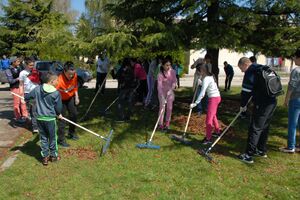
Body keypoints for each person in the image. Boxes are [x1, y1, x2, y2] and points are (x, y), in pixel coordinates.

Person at [237, 57, 277, 164]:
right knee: (264, 126)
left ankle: (248, 155)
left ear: (245, 64)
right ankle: (261, 150)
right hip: (272, 101)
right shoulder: (261, 68)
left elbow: (245, 92)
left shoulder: (250, 71)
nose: (241, 71)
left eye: (241, 68)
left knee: (255, 127)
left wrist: (243, 106)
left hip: (263, 103)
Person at [25, 72, 62, 166]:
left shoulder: (37, 89)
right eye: (57, 80)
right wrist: (59, 114)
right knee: (53, 138)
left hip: (40, 119)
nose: (58, 82)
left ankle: (45, 157)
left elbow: (28, 97)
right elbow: (58, 108)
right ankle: (53, 156)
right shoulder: (56, 93)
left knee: (44, 138)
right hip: (50, 119)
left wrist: (30, 101)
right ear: (52, 81)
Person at [190, 64, 221, 145]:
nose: (199, 73)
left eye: (199, 71)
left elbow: (202, 93)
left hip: (213, 99)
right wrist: (201, 83)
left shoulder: (207, 78)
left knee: (208, 119)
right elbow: (208, 86)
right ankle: (217, 131)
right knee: (213, 116)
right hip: (217, 97)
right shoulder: (209, 77)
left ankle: (208, 138)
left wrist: (195, 103)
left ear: (202, 71)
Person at [280, 49, 300, 153]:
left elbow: (291, 86)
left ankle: (290, 146)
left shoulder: (296, 70)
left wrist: (286, 100)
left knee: (292, 123)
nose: (293, 59)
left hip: (296, 99)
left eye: (295, 57)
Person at [56, 61, 80, 147]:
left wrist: (76, 96)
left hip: (70, 97)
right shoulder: (59, 79)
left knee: (74, 115)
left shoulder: (74, 75)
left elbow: (75, 86)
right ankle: (61, 139)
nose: (71, 76)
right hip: (60, 100)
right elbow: (54, 92)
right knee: (62, 119)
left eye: (72, 74)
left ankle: (71, 133)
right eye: (69, 74)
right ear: (64, 72)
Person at [5, 56, 28, 123]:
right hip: (14, 88)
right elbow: (11, 81)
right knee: (17, 103)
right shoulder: (8, 70)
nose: (19, 62)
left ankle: (25, 116)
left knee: (23, 102)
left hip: (21, 87)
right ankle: (18, 117)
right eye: (17, 61)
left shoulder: (19, 67)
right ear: (13, 62)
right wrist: (19, 78)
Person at [19, 57, 39, 133]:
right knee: (32, 110)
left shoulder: (36, 71)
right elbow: (21, 85)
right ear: (26, 65)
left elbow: (38, 83)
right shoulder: (22, 73)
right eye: (30, 65)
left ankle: (35, 126)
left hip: (36, 92)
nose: (32, 66)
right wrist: (21, 97)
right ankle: (34, 126)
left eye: (33, 65)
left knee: (34, 110)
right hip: (28, 94)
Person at [157, 58, 177, 131]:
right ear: (163, 65)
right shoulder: (160, 74)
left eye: (169, 65)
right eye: (167, 65)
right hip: (162, 92)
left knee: (169, 108)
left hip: (170, 92)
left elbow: (174, 82)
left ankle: (167, 123)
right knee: (162, 108)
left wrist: (171, 89)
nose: (168, 67)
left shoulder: (173, 72)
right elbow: (159, 86)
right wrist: (161, 95)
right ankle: (160, 124)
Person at [115, 58, 137, 122]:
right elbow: (133, 78)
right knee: (129, 101)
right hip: (130, 88)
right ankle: (128, 116)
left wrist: (112, 71)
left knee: (120, 102)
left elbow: (116, 76)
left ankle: (123, 116)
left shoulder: (122, 69)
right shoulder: (131, 69)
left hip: (125, 88)